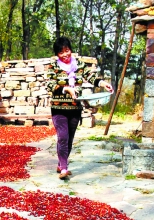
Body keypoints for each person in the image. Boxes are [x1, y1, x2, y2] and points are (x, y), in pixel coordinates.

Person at [47, 37, 113, 179]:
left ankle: (61, 163)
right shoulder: (53, 66)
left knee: (69, 139)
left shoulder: (78, 65)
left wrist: (103, 84)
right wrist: (67, 89)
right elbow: (50, 85)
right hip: (59, 108)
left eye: (67, 50)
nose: (65, 54)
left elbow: (91, 76)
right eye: (61, 52)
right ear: (57, 54)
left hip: (75, 108)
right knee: (62, 137)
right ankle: (64, 168)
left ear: (70, 50)